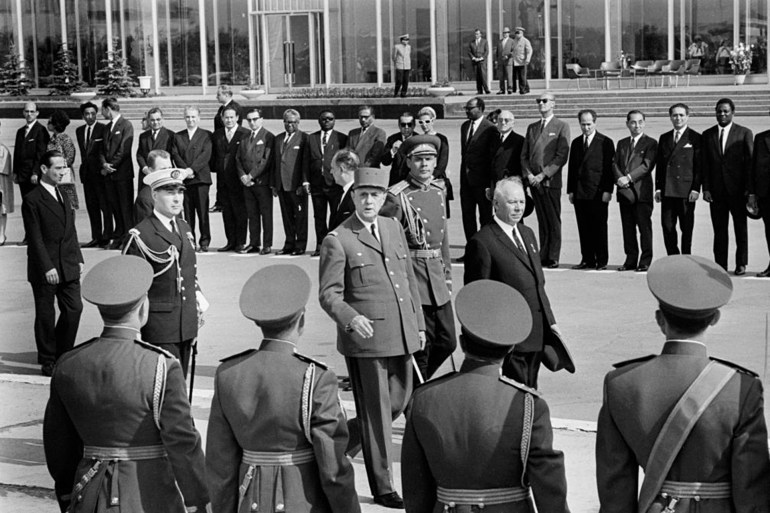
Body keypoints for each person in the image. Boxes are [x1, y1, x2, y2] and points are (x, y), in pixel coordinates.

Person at [596, 255, 770, 512]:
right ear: (715, 319)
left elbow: (615, 490)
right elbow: (751, 490)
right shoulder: (741, 388)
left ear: (659, 319)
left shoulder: (621, 383)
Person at [43, 255, 210, 513]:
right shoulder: (161, 366)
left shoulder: (69, 364)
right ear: (143, 307)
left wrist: (68, 493)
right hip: (150, 495)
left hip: (90, 493)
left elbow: (58, 444)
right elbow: (183, 444)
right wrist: (199, 499)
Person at [402, 279, 570, 513]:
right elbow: (549, 487)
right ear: (511, 349)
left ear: (461, 343)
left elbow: (415, 487)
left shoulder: (423, 398)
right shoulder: (527, 404)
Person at [206, 264, 361, 513]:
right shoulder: (316, 378)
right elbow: (333, 471)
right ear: (302, 320)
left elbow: (219, 465)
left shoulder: (228, 374)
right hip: (303, 501)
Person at [319, 166, 425, 508]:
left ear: (383, 199)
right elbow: (330, 294)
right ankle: (383, 486)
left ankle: (336, 444)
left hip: (401, 333)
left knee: (398, 401)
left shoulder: (393, 227)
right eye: (363, 194)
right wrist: (351, 319)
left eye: (375, 195)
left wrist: (418, 325)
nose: (369, 201)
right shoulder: (338, 239)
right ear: (353, 197)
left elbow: (407, 281)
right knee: (377, 414)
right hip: (366, 340)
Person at [465, 177, 566, 389]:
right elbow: (478, 296)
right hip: (510, 337)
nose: (518, 207)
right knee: (514, 394)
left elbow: (539, 284)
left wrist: (551, 322)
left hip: (537, 333)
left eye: (521, 202)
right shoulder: (483, 241)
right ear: (496, 204)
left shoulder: (527, 234)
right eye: (512, 202)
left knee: (531, 390)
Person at [382, 135, 456, 380]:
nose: (425, 165)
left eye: (429, 159)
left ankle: (411, 381)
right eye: (419, 160)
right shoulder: (396, 196)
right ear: (409, 162)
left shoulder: (438, 191)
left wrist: (447, 274)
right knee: (421, 346)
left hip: (436, 274)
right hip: (414, 275)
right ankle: (415, 392)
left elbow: (443, 236)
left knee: (448, 342)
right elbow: (389, 243)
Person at [124, 166, 204, 378]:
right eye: (170, 192)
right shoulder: (141, 235)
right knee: (160, 388)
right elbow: (131, 289)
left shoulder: (184, 228)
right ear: (154, 195)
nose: (177, 199)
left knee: (179, 387)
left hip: (186, 323)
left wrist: (198, 298)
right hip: (159, 328)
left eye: (180, 192)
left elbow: (188, 271)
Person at [22, 150, 83, 376]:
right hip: (45, 267)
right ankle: (48, 359)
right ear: (44, 169)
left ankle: (62, 352)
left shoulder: (64, 194)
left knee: (74, 308)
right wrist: (47, 267)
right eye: (57, 167)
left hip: (68, 262)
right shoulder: (32, 199)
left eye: (64, 167)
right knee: (46, 314)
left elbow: (71, 230)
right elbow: (35, 238)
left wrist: (78, 257)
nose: (62, 171)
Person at [702, 98, 754, 275]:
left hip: (738, 191)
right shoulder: (707, 135)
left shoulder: (744, 133)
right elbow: (705, 165)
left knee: (740, 229)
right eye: (719, 111)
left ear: (733, 112)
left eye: (725, 111)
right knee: (719, 230)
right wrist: (706, 188)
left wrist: (749, 189)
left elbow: (749, 164)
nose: (722, 114)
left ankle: (741, 263)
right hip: (716, 192)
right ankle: (720, 265)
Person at [521, 92, 570, 268]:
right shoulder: (532, 127)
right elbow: (524, 155)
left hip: (550, 181)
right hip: (534, 181)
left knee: (553, 220)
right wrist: (529, 175)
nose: (541, 104)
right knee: (542, 220)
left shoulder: (561, 126)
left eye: (544, 101)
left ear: (553, 104)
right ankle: (543, 253)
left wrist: (544, 175)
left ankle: (553, 255)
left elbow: (561, 156)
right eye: (538, 101)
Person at [567, 109, 615, 270]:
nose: (586, 127)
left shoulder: (605, 142)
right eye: (583, 124)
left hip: (598, 192)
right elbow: (572, 169)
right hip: (580, 192)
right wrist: (571, 191)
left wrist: (608, 190)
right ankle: (587, 258)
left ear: (595, 122)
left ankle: (601, 260)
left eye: (589, 124)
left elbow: (609, 169)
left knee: (599, 227)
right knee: (583, 227)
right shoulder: (575, 143)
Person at [655, 103, 702, 256]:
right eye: (675, 115)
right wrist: (658, 188)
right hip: (668, 190)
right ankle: (673, 256)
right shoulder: (664, 137)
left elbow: (699, 166)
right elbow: (660, 165)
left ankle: (686, 256)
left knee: (686, 227)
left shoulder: (695, 138)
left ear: (687, 116)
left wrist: (696, 188)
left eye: (681, 115)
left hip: (686, 191)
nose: (678, 118)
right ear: (670, 117)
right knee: (667, 226)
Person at [613, 110, 657, 272]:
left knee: (644, 228)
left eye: (640, 122)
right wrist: (619, 178)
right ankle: (630, 259)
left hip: (641, 193)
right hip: (624, 192)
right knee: (628, 228)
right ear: (627, 124)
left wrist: (629, 178)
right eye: (633, 122)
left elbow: (647, 166)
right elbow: (615, 163)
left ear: (644, 123)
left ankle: (645, 260)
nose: (636, 125)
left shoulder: (651, 143)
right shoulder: (622, 143)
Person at [304, 109, 347, 256]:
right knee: (319, 217)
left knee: (335, 215)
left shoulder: (341, 138)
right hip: (317, 184)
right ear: (319, 121)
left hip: (334, 185)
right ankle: (320, 245)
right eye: (324, 119)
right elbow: (305, 161)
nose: (327, 121)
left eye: (330, 119)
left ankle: (333, 246)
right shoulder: (311, 138)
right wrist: (305, 181)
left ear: (334, 120)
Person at [459, 97, 498, 257]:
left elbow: (492, 158)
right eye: (466, 108)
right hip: (466, 181)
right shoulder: (464, 126)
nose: (467, 111)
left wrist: (491, 184)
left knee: (485, 217)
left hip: (482, 182)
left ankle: (485, 250)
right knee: (467, 217)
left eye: (471, 108)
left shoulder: (490, 129)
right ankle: (471, 249)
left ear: (481, 108)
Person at [171, 105, 213, 252]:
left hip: (201, 178)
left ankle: (205, 241)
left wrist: (192, 169)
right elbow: (175, 155)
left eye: (193, 116)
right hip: (185, 179)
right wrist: (185, 171)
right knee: (188, 213)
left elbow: (205, 155)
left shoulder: (206, 135)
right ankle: (190, 240)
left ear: (199, 118)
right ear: (184, 118)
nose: (190, 119)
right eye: (188, 116)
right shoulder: (178, 136)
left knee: (202, 212)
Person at [236, 107, 275, 254]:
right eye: (249, 120)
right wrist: (243, 177)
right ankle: (254, 243)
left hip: (261, 183)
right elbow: (238, 158)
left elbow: (265, 160)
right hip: (247, 183)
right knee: (252, 215)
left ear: (261, 119)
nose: (252, 122)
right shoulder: (244, 137)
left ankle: (267, 244)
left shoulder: (268, 137)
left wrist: (251, 175)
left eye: (255, 119)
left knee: (266, 214)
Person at [211, 104, 250, 253]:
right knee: (227, 213)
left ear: (237, 118)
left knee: (240, 212)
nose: (228, 120)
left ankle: (240, 242)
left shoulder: (244, 133)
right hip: (222, 181)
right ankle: (230, 241)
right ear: (221, 119)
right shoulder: (217, 135)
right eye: (226, 117)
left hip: (238, 180)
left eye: (231, 117)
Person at [99, 97, 135, 250]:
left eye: (102, 109)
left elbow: (124, 150)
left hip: (122, 175)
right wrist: (103, 164)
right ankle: (119, 236)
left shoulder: (126, 125)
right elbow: (101, 149)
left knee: (125, 208)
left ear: (108, 109)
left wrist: (111, 165)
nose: (102, 113)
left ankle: (128, 238)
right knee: (115, 207)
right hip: (110, 176)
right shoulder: (107, 128)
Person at [274, 108, 310, 256]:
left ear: (298, 122)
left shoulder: (304, 138)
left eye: (294, 122)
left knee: (300, 217)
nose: (290, 125)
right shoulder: (278, 139)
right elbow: (275, 163)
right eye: (288, 122)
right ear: (283, 122)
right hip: (282, 184)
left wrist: (304, 183)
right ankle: (289, 243)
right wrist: (274, 184)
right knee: (287, 217)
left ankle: (300, 245)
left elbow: (305, 163)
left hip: (297, 185)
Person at [75, 102, 109, 247]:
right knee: (91, 206)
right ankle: (96, 236)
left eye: (93, 113)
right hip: (87, 174)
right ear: (83, 116)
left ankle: (107, 236)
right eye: (87, 114)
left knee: (104, 206)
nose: (90, 116)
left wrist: (104, 167)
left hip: (100, 174)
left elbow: (106, 150)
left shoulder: (103, 129)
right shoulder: (79, 130)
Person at [135, 107, 173, 223]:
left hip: (162, 177)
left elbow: (172, 156)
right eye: (152, 120)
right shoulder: (144, 136)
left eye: (158, 119)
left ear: (163, 119)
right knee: (145, 205)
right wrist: (145, 168)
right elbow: (140, 154)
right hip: (147, 176)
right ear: (148, 121)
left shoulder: (170, 135)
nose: (155, 122)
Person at [212, 84, 243, 213]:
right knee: (221, 179)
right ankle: (220, 202)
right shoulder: (221, 108)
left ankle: (227, 203)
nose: (216, 96)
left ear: (227, 95)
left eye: (219, 94)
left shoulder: (235, 108)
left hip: (231, 146)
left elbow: (236, 129)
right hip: (220, 144)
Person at [416, 106, 452, 216]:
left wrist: (431, 177)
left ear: (433, 120)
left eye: (427, 121)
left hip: (436, 180)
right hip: (421, 179)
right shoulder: (418, 139)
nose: (424, 125)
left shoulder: (441, 138)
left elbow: (443, 162)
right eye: (421, 122)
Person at [749, 110, 770, 277]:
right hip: (766, 194)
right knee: (769, 231)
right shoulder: (761, 138)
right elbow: (754, 166)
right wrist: (753, 193)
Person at [14, 102, 50, 199]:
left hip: (33, 176)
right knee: (26, 203)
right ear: (23, 113)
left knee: (34, 203)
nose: (29, 114)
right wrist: (15, 172)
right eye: (27, 111)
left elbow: (41, 154)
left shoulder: (41, 130)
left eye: (32, 111)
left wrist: (35, 172)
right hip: (22, 175)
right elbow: (17, 153)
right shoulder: (20, 131)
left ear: (37, 113)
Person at [46, 110, 78, 213]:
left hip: (64, 175)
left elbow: (70, 157)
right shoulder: (52, 139)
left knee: (68, 204)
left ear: (55, 124)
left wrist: (57, 166)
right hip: (53, 176)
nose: (48, 124)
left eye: (50, 122)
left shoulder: (65, 139)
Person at [327, 149, 358, 230]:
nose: (331, 172)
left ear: (341, 169)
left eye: (333, 168)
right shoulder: (340, 193)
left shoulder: (357, 195)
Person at [381, 112, 415, 185]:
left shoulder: (418, 140)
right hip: (395, 182)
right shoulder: (392, 139)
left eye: (409, 124)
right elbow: (385, 162)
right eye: (403, 124)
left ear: (414, 126)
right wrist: (393, 150)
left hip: (413, 181)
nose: (406, 127)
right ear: (399, 126)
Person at [492, 109, 524, 185]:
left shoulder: (520, 140)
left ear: (512, 123)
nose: (503, 123)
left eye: (506, 120)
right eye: (500, 120)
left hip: (512, 185)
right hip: (495, 184)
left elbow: (523, 164)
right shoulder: (492, 139)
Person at [468, 28, 491, 95]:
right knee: (477, 76)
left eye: (477, 34)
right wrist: (473, 58)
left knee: (483, 76)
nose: (476, 35)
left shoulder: (484, 41)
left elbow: (487, 51)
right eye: (475, 34)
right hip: (475, 61)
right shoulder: (472, 42)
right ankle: (479, 90)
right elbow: (469, 52)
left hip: (482, 61)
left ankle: (486, 89)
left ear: (480, 34)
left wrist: (482, 58)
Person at [511, 27, 532, 94]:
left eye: (518, 33)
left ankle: (522, 89)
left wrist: (528, 59)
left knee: (522, 76)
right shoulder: (514, 41)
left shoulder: (525, 41)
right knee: (515, 76)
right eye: (516, 33)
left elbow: (529, 50)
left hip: (522, 61)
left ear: (522, 33)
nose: (517, 34)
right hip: (514, 61)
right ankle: (525, 88)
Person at [0, 121, 11, 245]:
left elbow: (3, 169)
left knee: (1, 211)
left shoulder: (2, 150)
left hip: (0, 185)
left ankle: (1, 234)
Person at [496, 27, 514, 94]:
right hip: (500, 61)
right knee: (501, 76)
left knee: (509, 75)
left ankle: (510, 88)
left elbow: (513, 51)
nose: (505, 34)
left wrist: (508, 56)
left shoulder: (511, 41)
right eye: (504, 32)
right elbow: (497, 52)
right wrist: (496, 60)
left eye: (506, 32)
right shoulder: (500, 42)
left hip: (508, 61)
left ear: (509, 33)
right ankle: (502, 89)